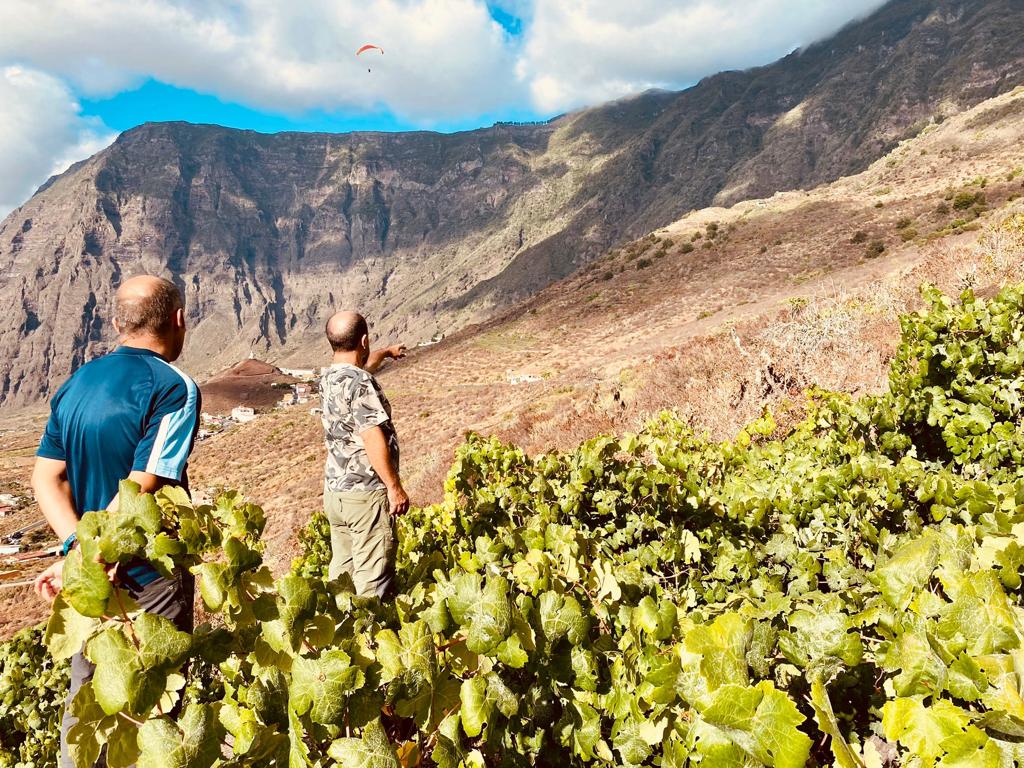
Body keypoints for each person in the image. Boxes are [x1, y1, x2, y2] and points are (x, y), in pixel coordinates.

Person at [31, 275, 200, 768]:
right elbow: (140, 485)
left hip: (93, 582)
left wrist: (73, 550)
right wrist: (85, 554)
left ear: (117, 322)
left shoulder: (75, 384)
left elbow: (46, 479)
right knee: (153, 714)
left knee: (90, 705)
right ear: (178, 319)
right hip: (149, 582)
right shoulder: (174, 388)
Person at [320, 311, 408, 598]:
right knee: (372, 581)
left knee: (342, 577)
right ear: (364, 340)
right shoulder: (359, 384)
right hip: (365, 494)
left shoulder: (330, 377)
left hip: (336, 493)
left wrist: (385, 352)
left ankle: (336, 636)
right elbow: (372, 436)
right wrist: (394, 488)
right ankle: (366, 638)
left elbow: (361, 368)